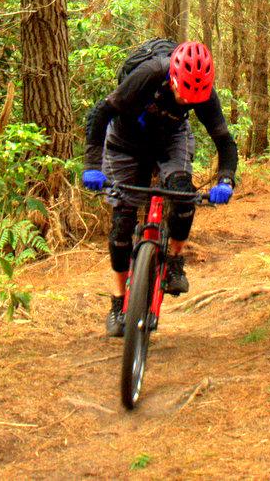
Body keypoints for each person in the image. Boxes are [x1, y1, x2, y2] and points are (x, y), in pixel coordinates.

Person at [80, 39, 237, 337]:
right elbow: (101, 114)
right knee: (123, 219)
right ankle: (118, 302)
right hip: (126, 141)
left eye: (194, 97)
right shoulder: (149, 74)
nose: (186, 101)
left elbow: (224, 141)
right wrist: (92, 166)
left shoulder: (204, 94)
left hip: (171, 138)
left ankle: (175, 260)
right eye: (181, 93)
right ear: (172, 77)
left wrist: (226, 180)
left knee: (183, 194)